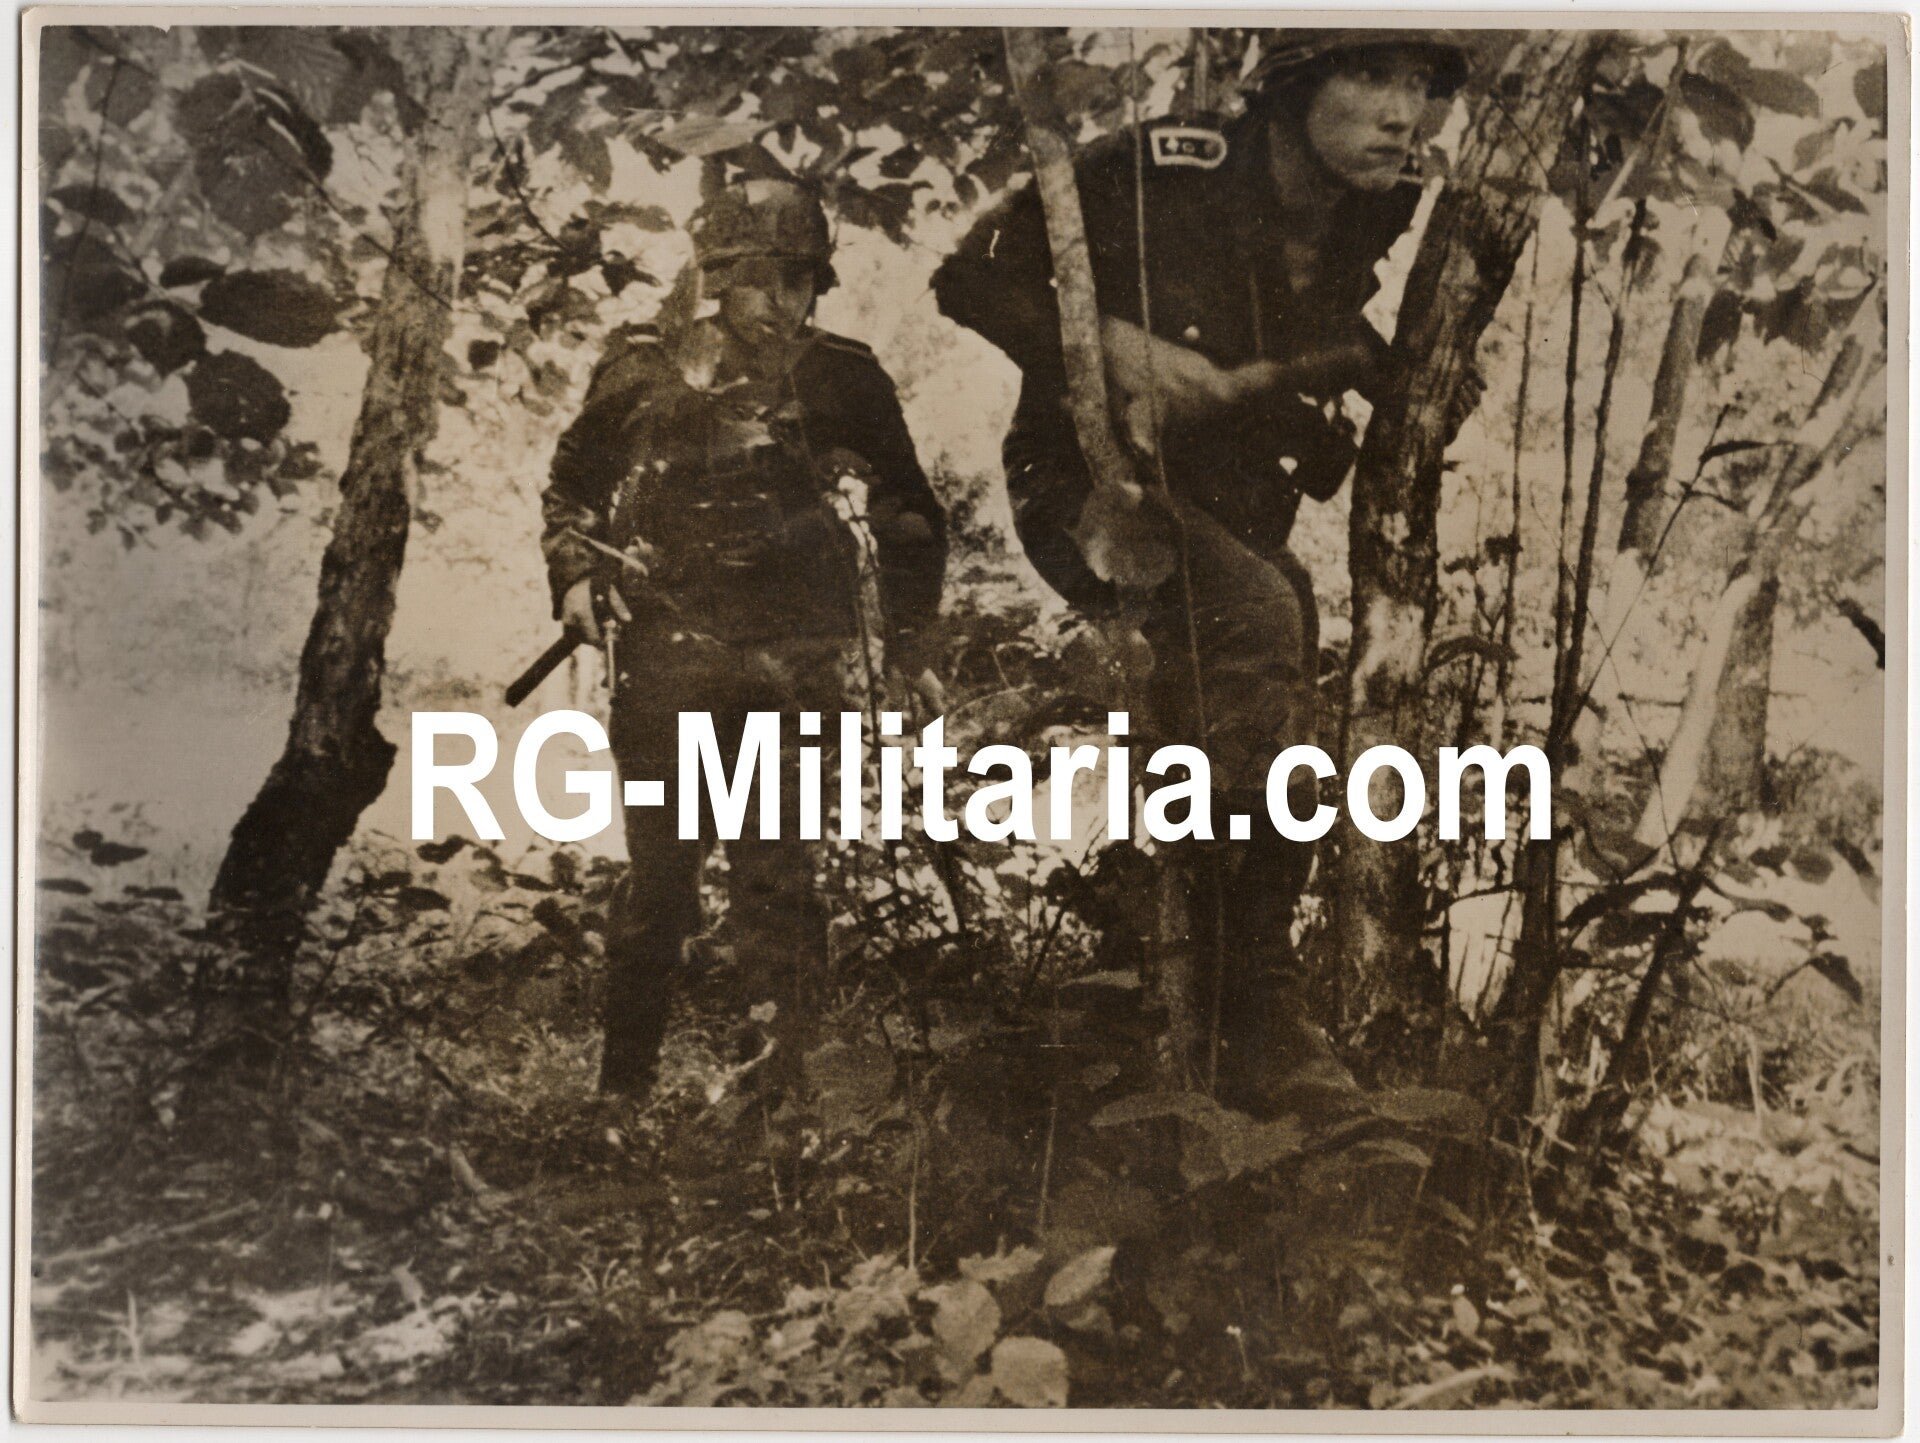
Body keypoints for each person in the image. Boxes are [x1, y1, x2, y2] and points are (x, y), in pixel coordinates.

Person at [933, 30, 1474, 1106]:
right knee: (1262, 616)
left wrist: (1404, 371)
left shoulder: (1369, 206)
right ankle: (1252, 1003)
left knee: (1279, 648)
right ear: (1292, 85)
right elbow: (970, 275)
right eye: (1371, 75)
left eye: (1421, 87)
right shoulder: (1171, 167)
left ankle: (1184, 973)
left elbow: (1308, 326)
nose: (1402, 113)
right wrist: (1115, 347)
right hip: (1090, 485)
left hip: (1230, 506)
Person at [542, 176, 947, 1097]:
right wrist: (573, 576)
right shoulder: (643, 365)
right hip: (668, 654)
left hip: (792, 659)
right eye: (764, 279)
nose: (785, 300)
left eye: (802, 280)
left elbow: (911, 513)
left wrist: (912, 645)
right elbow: (572, 483)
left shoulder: (843, 374)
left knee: (779, 882)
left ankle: (778, 1100)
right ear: (717, 277)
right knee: (660, 887)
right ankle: (621, 1094)